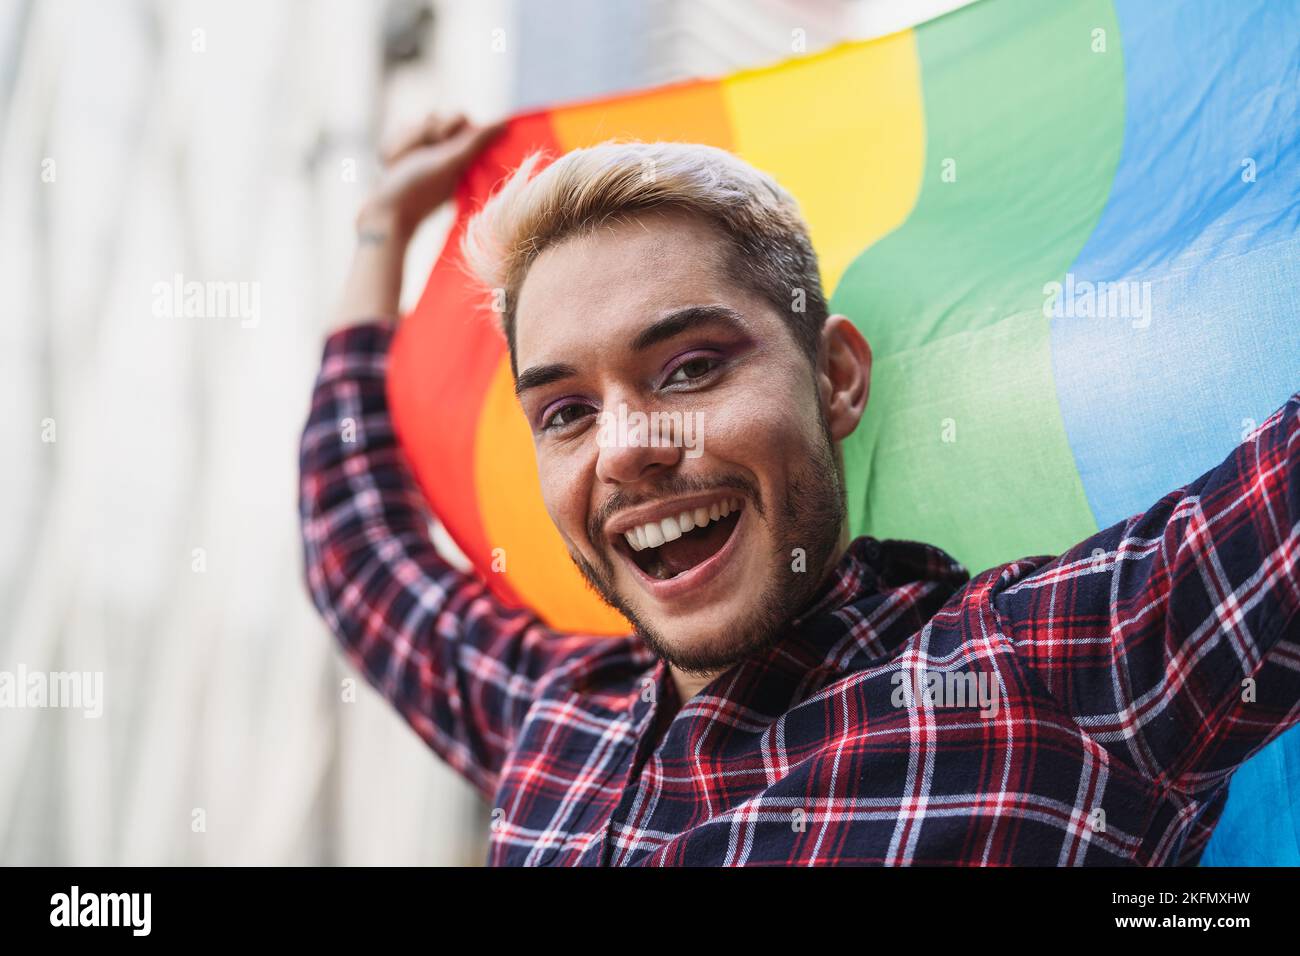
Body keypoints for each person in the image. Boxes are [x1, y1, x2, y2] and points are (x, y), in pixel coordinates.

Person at [299, 111, 1300, 866]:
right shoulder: (556, 717)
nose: (626, 449)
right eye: (564, 411)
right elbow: (359, 553)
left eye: (689, 366)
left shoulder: (1055, 663)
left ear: (835, 378)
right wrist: (378, 230)